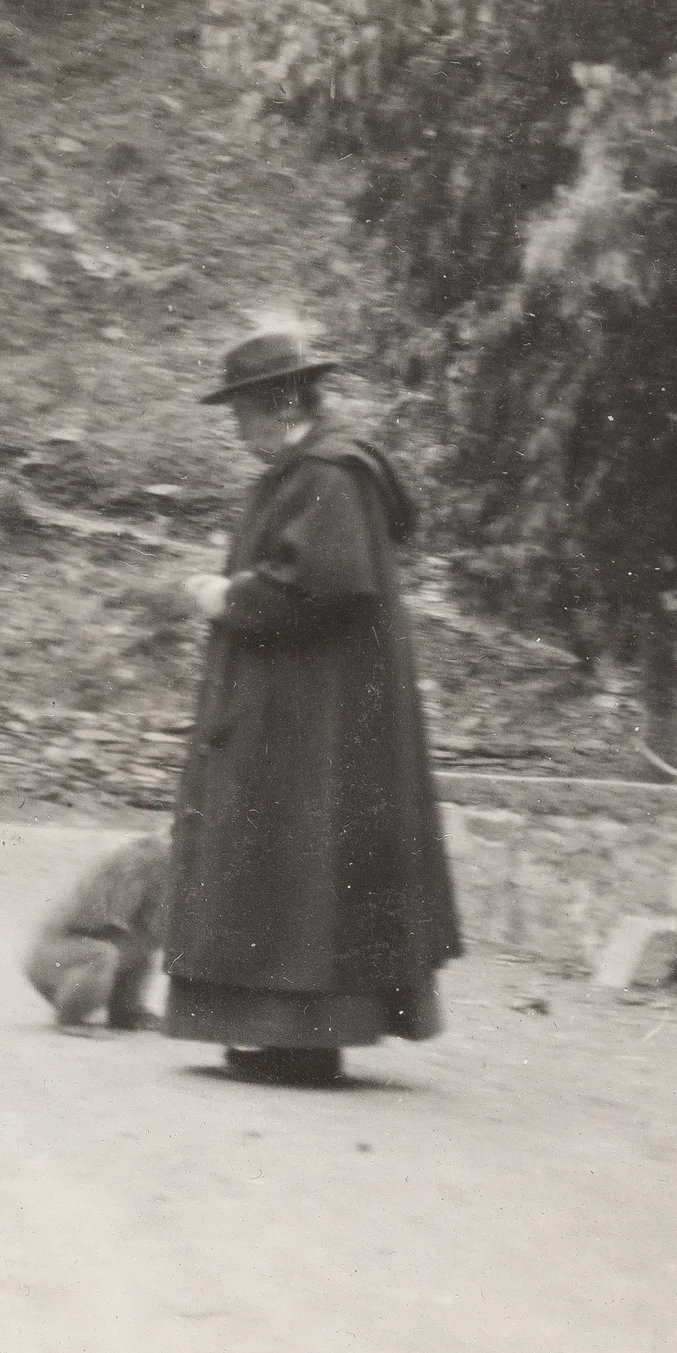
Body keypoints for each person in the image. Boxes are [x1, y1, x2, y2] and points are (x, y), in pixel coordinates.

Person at [162, 324, 461, 1087]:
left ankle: (298, 1040)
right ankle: (286, 1036)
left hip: (314, 715)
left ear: (280, 402)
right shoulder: (315, 469)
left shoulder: (325, 473)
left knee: (297, 861)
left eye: (241, 414)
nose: (237, 432)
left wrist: (228, 594)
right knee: (294, 864)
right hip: (310, 708)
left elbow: (322, 583)